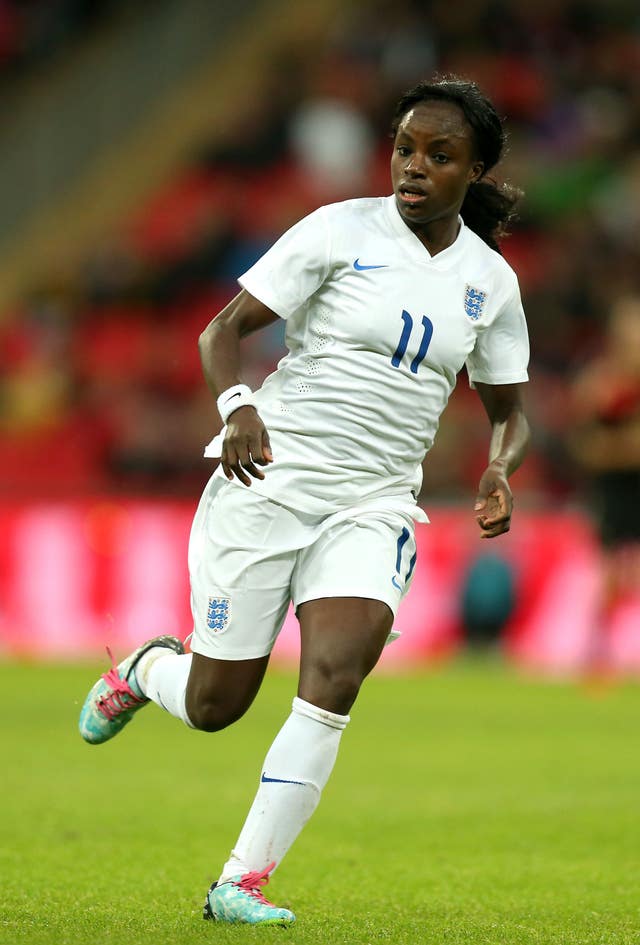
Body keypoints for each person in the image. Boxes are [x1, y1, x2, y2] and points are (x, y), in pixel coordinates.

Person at [79, 76, 531, 926]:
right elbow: (222, 332)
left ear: (474, 171)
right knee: (218, 705)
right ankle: (143, 669)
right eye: (404, 148)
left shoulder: (490, 283)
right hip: (270, 480)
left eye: (439, 155)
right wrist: (236, 406)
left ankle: (239, 882)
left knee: (335, 675)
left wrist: (499, 466)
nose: (414, 166)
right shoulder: (339, 229)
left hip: (373, 503)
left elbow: (511, 413)